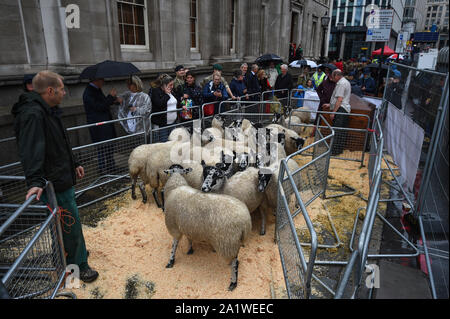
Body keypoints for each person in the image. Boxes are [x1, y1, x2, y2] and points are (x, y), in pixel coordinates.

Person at [11, 70, 99, 283]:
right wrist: (35, 181)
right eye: (61, 89)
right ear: (49, 90)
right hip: (54, 182)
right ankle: (78, 267)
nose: (64, 93)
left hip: (61, 175)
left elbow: (59, 143)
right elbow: (31, 150)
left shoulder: (48, 110)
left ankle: (66, 256)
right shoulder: (33, 114)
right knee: (70, 224)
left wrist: (74, 163)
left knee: (62, 225)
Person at [83, 77, 121, 175]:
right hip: (98, 125)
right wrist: (110, 96)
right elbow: (99, 106)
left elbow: (103, 103)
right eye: (101, 80)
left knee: (109, 146)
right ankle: (102, 169)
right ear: (96, 80)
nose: (103, 82)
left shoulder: (96, 90)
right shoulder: (89, 92)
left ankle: (111, 166)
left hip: (105, 123)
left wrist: (113, 100)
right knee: (101, 148)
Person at [322, 69, 352, 156]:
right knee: (341, 131)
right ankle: (338, 150)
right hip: (344, 109)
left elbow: (339, 99)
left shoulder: (341, 84)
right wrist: (330, 104)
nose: (332, 79)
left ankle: (334, 151)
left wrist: (333, 112)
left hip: (341, 110)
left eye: (333, 76)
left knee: (337, 131)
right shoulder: (344, 82)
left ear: (337, 76)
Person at [150, 74, 178, 142]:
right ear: (164, 85)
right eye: (170, 85)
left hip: (172, 123)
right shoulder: (155, 91)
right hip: (162, 124)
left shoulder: (171, 91)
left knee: (172, 141)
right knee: (163, 143)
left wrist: (182, 105)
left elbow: (175, 102)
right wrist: (166, 94)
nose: (172, 87)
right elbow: (159, 104)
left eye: (172, 84)